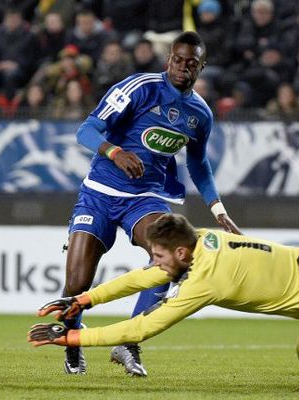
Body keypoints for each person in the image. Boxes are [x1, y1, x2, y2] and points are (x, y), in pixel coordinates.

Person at [29, 214, 299, 373]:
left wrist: (68, 337)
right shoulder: (201, 239)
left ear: (179, 251)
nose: (155, 262)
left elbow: (143, 325)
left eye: (159, 255)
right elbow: (146, 278)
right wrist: (84, 300)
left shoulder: (204, 282)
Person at [57, 31, 240, 376]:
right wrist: (115, 151)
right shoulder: (139, 88)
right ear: (168, 58)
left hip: (146, 198)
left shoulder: (200, 114)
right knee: (77, 283)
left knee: (171, 256)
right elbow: (87, 129)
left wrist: (218, 209)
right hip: (98, 193)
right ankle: (72, 340)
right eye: (177, 60)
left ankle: (127, 343)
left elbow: (198, 165)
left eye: (191, 63)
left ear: (202, 67)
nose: (183, 68)